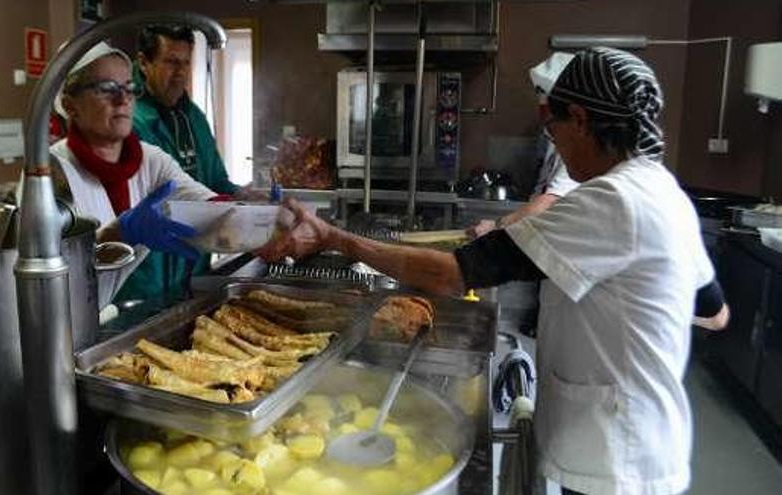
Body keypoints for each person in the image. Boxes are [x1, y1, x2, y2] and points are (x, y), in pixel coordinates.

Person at [257, 47, 729, 494]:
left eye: (556, 129)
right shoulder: (661, 190)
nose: (558, 145)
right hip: (643, 438)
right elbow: (713, 309)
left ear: (581, 120)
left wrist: (335, 237)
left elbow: (452, 274)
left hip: (615, 455)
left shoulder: (612, 201)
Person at [50, 42, 216, 302]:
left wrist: (267, 217)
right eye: (106, 88)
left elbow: (211, 205)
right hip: (76, 324)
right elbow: (49, 275)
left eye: (129, 87)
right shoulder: (51, 172)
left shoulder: (151, 159)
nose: (123, 99)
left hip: (136, 313)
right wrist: (116, 234)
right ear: (71, 106)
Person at [127, 24, 259, 302]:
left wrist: (245, 196)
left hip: (194, 270)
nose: (181, 73)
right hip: (147, 275)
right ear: (143, 63)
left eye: (186, 63)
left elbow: (215, 182)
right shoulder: (129, 122)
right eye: (171, 62)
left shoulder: (194, 117)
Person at [469, 53, 579, 238]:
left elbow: (550, 200)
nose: (544, 118)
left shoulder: (575, 142)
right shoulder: (553, 136)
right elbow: (541, 192)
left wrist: (498, 225)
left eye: (549, 112)